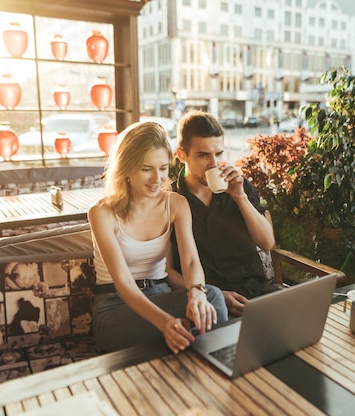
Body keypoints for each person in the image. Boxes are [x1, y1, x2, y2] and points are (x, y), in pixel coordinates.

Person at [89, 121, 228, 354]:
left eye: (163, 168)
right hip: (114, 308)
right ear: (127, 167)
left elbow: (191, 262)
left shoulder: (176, 204)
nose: (157, 178)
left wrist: (195, 294)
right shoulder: (101, 213)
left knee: (209, 297)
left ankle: (217, 368)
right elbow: (123, 283)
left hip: (162, 295)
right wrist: (165, 322)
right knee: (192, 318)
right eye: (146, 168)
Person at [171, 111, 278, 317]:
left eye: (219, 154)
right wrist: (216, 295)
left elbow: (267, 243)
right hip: (210, 304)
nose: (213, 163)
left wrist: (240, 198)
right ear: (181, 155)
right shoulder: (172, 200)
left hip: (257, 293)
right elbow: (168, 271)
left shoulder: (238, 186)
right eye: (203, 155)